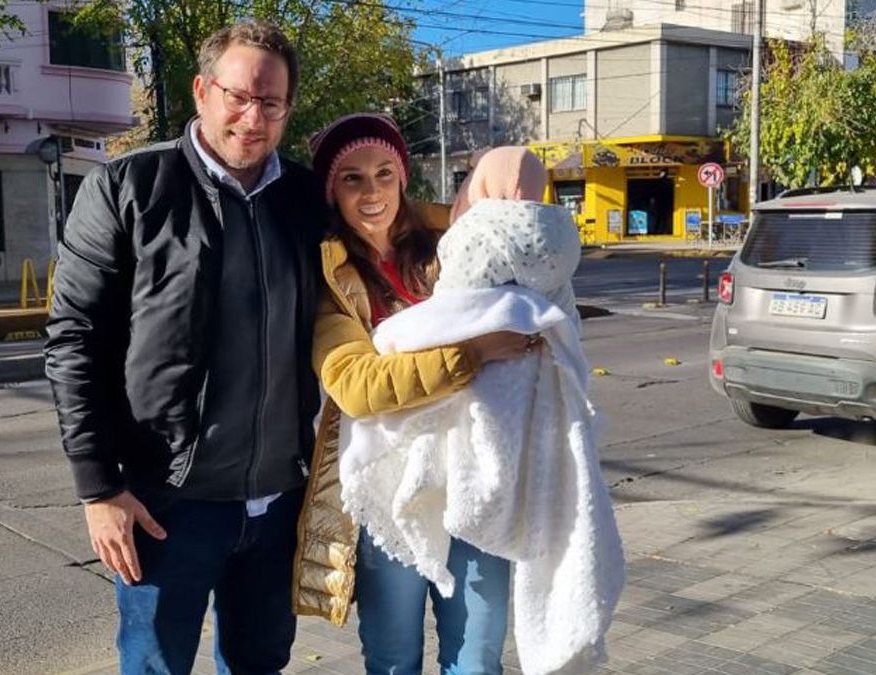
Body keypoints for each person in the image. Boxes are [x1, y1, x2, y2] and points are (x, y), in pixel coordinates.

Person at [44, 21, 323, 675]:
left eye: (272, 102)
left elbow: (386, 237)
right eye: (239, 95)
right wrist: (98, 489)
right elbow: (73, 341)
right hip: (166, 504)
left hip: (280, 500)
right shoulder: (128, 189)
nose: (253, 117)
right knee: (155, 667)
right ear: (202, 90)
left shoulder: (305, 200)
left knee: (260, 665)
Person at [290, 114, 532, 674]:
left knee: (476, 661)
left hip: (475, 484)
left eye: (383, 173)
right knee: (395, 661)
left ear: (402, 178)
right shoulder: (331, 279)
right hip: (388, 497)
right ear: (333, 191)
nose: (371, 192)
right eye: (351, 179)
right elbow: (355, 386)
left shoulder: (459, 245)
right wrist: (471, 353)